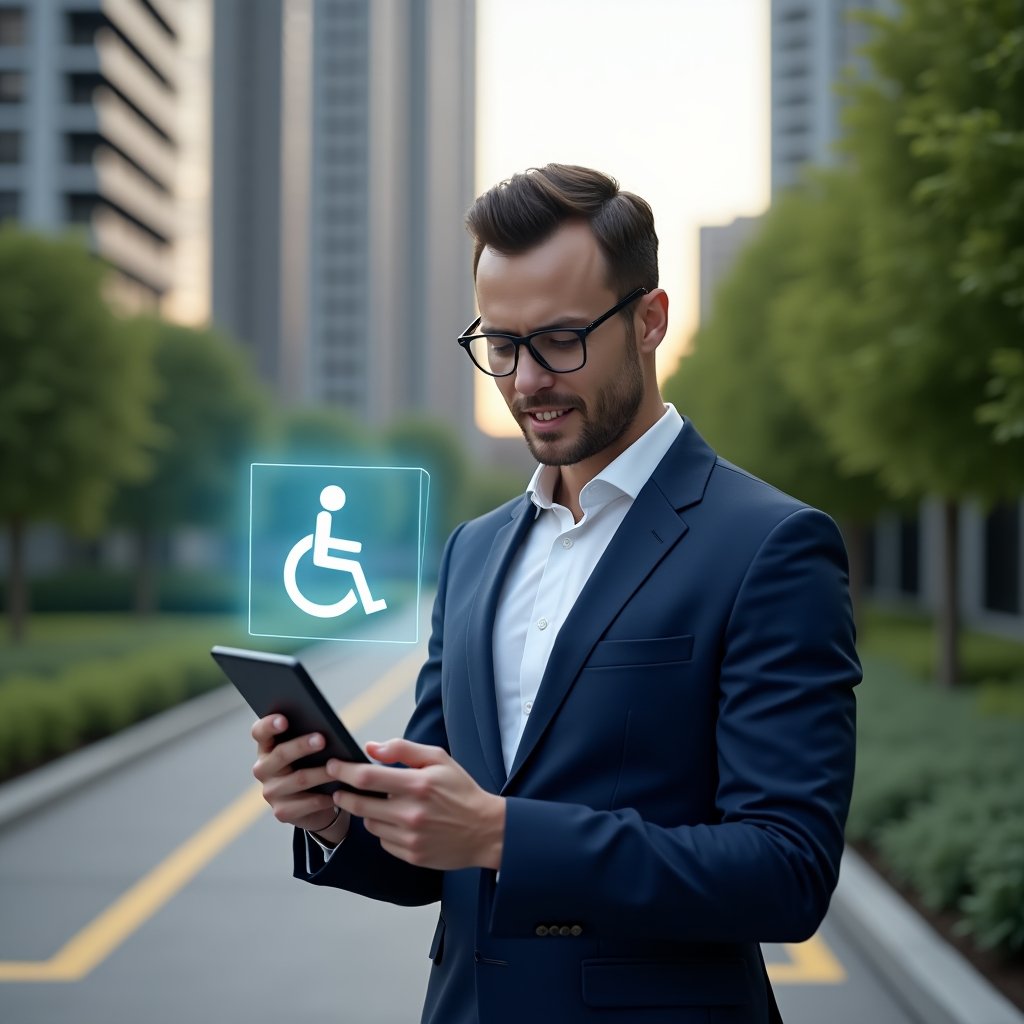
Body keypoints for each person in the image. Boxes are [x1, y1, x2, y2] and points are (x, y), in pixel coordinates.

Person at [251, 163, 860, 1024]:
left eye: (561, 339)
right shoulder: (474, 550)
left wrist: (502, 833)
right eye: (501, 345)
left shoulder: (771, 545)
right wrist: (337, 816)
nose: (526, 379)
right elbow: (435, 857)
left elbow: (786, 871)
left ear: (649, 321)